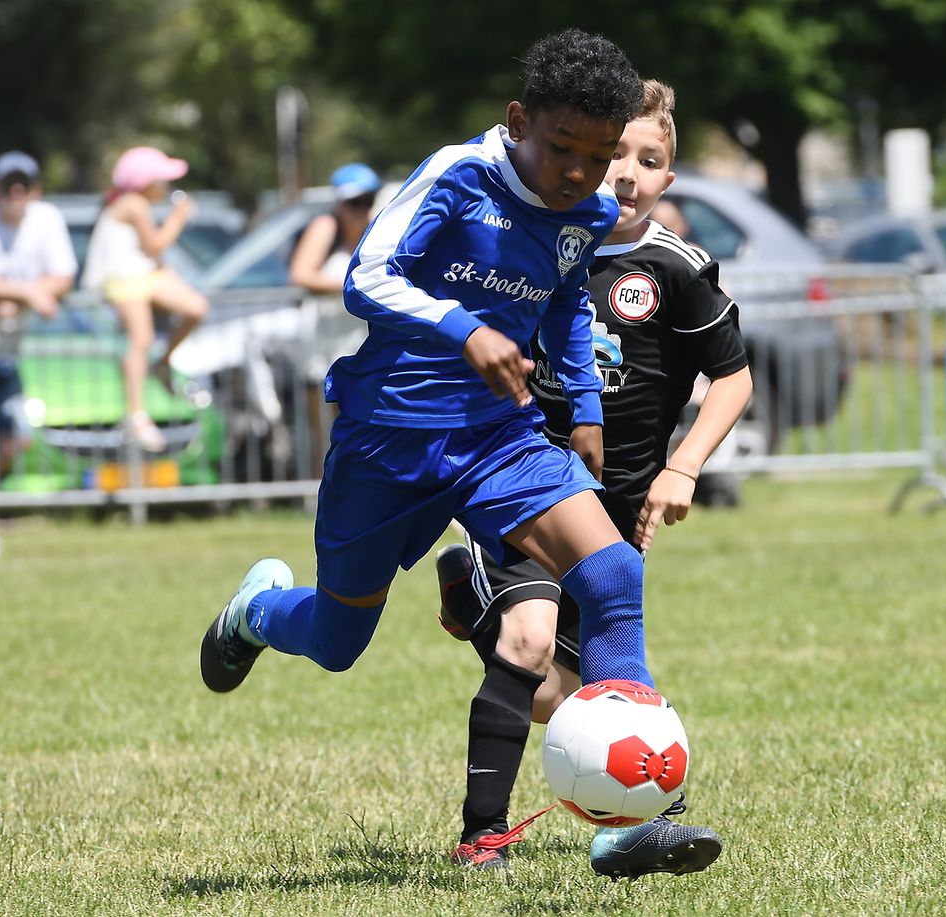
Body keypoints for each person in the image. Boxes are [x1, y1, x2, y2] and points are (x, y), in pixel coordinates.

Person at [199, 28, 657, 803]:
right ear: (520, 122)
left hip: (499, 439)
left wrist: (583, 408)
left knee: (614, 572)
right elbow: (363, 279)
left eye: (600, 152)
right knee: (338, 642)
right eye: (562, 146)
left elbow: (566, 302)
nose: (579, 171)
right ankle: (256, 612)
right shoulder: (459, 174)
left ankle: (634, 806)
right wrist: (464, 328)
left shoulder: (587, 211)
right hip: (389, 438)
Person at [435, 80, 751, 877]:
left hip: (617, 519)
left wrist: (683, 467)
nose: (629, 173)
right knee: (530, 639)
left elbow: (735, 379)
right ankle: (485, 836)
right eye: (617, 155)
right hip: (525, 486)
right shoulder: (535, 245)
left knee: (564, 696)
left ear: (667, 181)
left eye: (650, 161)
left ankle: (472, 606)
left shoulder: (675, 268)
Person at [81, 146, 209, 453]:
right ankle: (136, 414)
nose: (165, 187)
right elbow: (153, 246)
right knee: (141, 339)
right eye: (160, 180)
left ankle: (162, 365)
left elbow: (152, 256)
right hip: (125, 279)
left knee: (196, 308)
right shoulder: (133, 204)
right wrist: (178, 218)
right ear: (145, 182)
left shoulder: (134, 204)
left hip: (140, 276)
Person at [288, 162, 383, 468]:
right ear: (339, 202)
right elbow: (301, 274)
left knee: (366, 428)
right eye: (353, 202)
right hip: (323, 347)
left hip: (359, 343)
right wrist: (354, 284)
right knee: (328, 432)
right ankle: (323, 497)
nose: (360, 209)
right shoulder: (325, 227)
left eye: (366, 201)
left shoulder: (376, 228)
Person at [0, 151, 78, 479]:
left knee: (15, 437)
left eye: (23, 186)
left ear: (36, 190)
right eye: (7, 186)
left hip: (12, 350)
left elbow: (63, 277)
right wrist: (30, 293)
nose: (16, 194)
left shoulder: (47, 218)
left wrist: (12, 296)